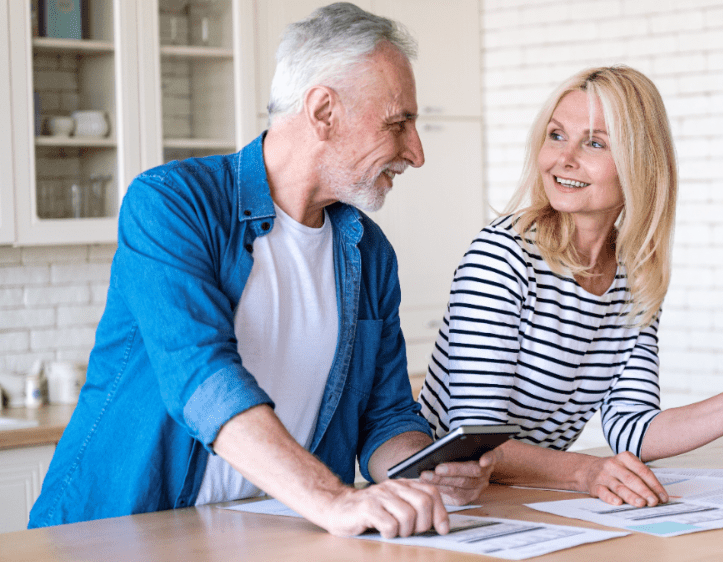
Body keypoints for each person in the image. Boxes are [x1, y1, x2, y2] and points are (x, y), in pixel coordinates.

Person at [29, 3, 493, 538]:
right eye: (399, 123)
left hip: (272, 536)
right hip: (113, 534)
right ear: (323, 111)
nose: (416, 152)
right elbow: (201, 377)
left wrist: (427, 469)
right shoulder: (173, 204)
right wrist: (333, 501)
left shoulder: (370, 253)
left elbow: (386, 417)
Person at [418, 66, 723, 508]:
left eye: (594, 144)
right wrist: (584, 473)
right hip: (437, 500)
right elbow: (470, 439)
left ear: (637, 163)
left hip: (520, 498)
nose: (564, 158)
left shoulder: (635, 274)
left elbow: (633, 430)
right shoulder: (504, 256)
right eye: (556, 135)